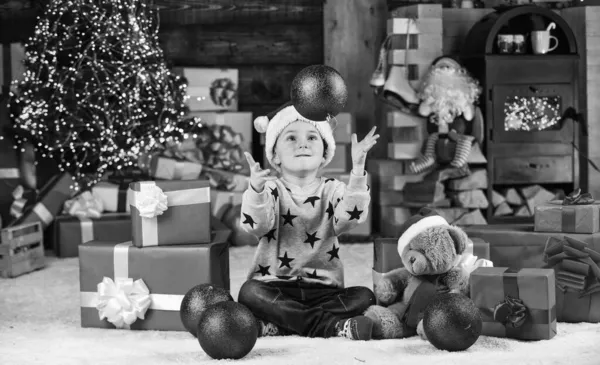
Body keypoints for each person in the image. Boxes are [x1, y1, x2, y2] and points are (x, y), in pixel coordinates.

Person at [237, 103, 379, 341]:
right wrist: (255, 190)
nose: (302, 143)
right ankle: (329, 326)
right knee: (249, 292)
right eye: (290, 138)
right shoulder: (269, 189)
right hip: (274, 286)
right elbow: (256, 226)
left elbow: (350, 218)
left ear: (325, 153)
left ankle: (283, 325)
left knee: (365, 296)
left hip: (323, 289)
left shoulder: (334, 189)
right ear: (275, 156)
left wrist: (357, 170)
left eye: (312, 137)